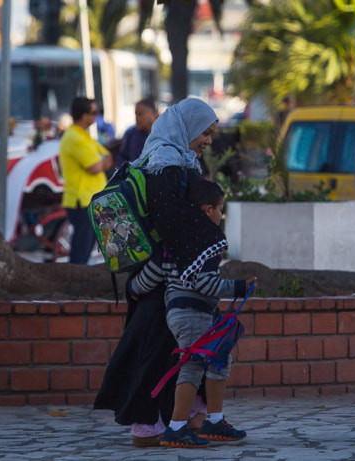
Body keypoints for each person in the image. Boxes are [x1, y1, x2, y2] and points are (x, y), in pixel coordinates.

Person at [93, 98, 235, 447]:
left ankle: (183, 418)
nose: (208, 141)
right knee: (157, 351)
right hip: (165, 280)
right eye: (204, 132)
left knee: (177, 351)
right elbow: (172, 223)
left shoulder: (171, 160)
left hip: (167, 277)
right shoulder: (167, 165)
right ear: (187, 128)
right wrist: (209, 243)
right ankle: (150, 425)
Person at [129, 176, 257, 449]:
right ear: (207, 210)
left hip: (183, 313)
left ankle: (214, 420)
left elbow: (152, 275)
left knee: (220, 360)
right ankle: (177, 427)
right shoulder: (208, 240)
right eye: (220, 209)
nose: (221, 216)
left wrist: (133, 289)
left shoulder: (172, 240)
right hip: (192, 313)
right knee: (193, 366)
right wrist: (239, 287)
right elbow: (204, 283)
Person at [58, 97, 112, 264]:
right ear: (83, 115)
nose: (97, 116)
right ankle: (74, 279)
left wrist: (104, 161)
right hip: (82, 200)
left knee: (85, 248)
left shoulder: (83, 136)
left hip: (90, 199)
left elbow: (108, 155)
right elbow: (95, 166)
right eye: (94, 112)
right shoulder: (76, 138)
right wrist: (103, 161)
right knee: (81, 251)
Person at [115, 97, 159, 168]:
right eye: (135, 114)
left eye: (140, 114)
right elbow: (122, 158)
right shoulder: (131, 134)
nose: (136, 118)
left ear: (153, 115)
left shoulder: (165, 135)